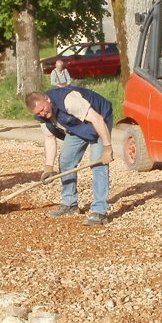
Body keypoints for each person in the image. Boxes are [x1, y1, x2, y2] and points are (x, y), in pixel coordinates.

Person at [25, 86, 113, 226]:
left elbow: (96, 119)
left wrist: (107, 147)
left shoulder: (68, 100)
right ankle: (70, 204)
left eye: (43, 109)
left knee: (98, 163)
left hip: (100, 118)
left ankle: (99, 211)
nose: (42, 113)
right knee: (66, 161)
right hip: (77, 126)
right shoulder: (42, 117)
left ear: (47, 99)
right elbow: (49, 138)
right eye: (38, 112)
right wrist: (48, 167)